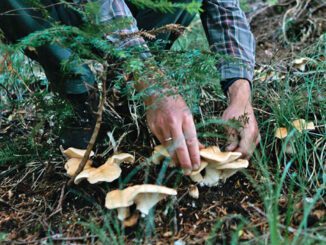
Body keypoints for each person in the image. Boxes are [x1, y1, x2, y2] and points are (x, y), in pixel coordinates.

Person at [0, 0, 260, 175]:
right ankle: (80, 93)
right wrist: (152, 83)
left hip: (142, 14)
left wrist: (240, 94)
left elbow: (223, 7)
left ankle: (124, 84)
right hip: (61, 12)